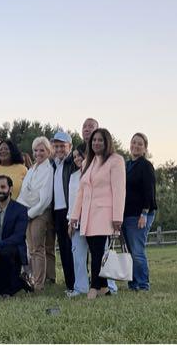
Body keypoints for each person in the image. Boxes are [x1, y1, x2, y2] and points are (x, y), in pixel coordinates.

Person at [70, 128, 126, 300]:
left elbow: (119, 190)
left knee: (97, 252)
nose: (96, 143)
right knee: (95, 250)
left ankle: (93, 287)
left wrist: (118, 217)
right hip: (87, 215)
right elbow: (81, 192)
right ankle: (103, 287)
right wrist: (74, 216)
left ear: (107, 142)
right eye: (93, 140)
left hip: (104, 214)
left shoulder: (115, 161)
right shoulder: (88, 162)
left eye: (100, 140)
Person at [16, 136, 54, 292]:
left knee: (38, 249)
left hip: (40, 213)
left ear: (48, 151)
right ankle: (35, 279)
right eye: (36, 150)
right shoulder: (32, 170)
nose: (38, 153)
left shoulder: (49, 170)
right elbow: (24, 193)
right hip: (26, 212)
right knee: (30, 248)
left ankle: (39, 284)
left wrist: (30, 214)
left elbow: (45, 199)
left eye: (42, 150)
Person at [123, 132, 157, 291]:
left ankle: (143, 284)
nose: (135, 146)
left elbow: (149, 192)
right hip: (127, 214)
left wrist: (144, 213)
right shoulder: (127, 165)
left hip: (141, 214)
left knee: (137, 251)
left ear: (144, 149)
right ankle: (133, 283)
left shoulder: (146, 165)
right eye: (133, 142)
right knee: (130, 252)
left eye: (139, 144)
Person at [50, 131, 77, 295]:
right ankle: (70, 284)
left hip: (70, 210)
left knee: (75, 249)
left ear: (70, 146)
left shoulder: (72, 163)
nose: (59, 149)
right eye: (56, 146)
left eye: (62, 146)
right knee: (64, 250)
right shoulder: (53, 165)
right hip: (57, 212)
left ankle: (78, 282)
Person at [66, 145, 90, 297]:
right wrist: (71, 221)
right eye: (74, 156)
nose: (77, 159)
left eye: (79, 155)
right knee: (78, 256)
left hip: (95, 220)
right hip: (77, 221)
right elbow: (72, 200)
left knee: (101, 255)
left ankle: (108, 286)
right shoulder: (73, 176)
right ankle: (81, 287)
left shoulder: (94, 172)